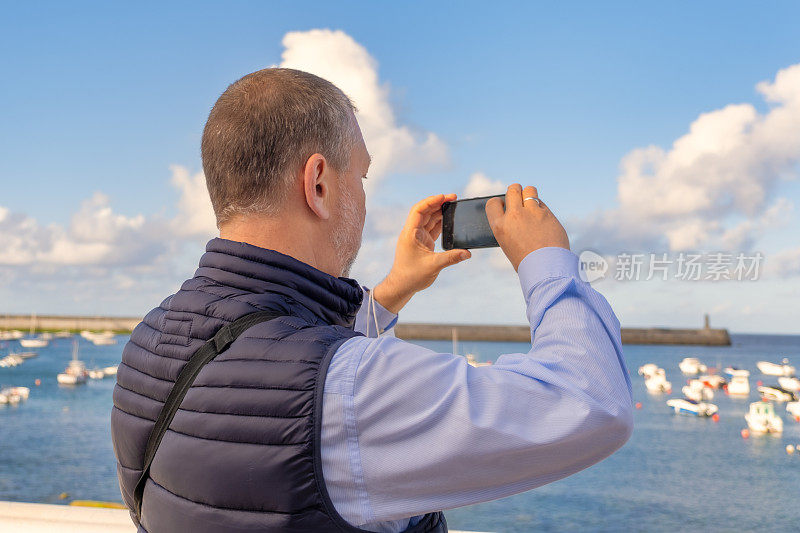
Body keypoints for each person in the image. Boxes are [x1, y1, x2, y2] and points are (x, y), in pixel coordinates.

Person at [111, 68, 633, 533]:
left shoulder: (150, 341)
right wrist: (545, 261)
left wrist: (391, 292)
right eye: (360, 176)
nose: (364, 197)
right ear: (317, 184)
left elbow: (273, 345)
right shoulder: (354, 389)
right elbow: (592, 405)